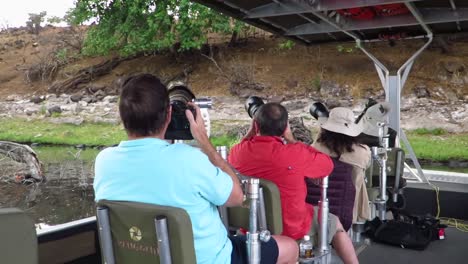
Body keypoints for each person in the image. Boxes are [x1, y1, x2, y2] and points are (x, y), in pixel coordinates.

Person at [93, 74, 298, 264]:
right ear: (169, 114)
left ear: (122, 117)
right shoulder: (189, 159)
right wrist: (203, 140)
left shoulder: (104, 161)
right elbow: (236, 197)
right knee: (289, 247)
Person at [228, 102, 358, 264]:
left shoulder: (238, 152)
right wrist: (292, 140)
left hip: (251, 228)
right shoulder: (295, 153)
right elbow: (327, 165)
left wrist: (249, 135)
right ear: (285, 128)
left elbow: (239, 148)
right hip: (292, 229)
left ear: (255, 125)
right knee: (335, 222)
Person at [313, 107, 372, 223]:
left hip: (317, 205)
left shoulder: (315, 149)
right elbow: (367, 167)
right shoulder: (363, 152)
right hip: (350, 208)